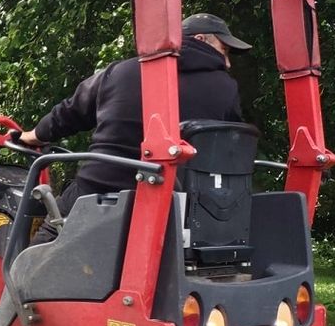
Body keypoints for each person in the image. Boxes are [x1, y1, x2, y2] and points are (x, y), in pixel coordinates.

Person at [19, 13, 248, 241]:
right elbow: (231, 145)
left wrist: (31, 137)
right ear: (200, 39)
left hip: (97, 193)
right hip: (177, 207)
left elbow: (67, 115)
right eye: (225, 51)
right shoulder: (226, 89)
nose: (227, 62)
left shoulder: (119, 72)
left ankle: (18, 276)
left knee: (35, 254)